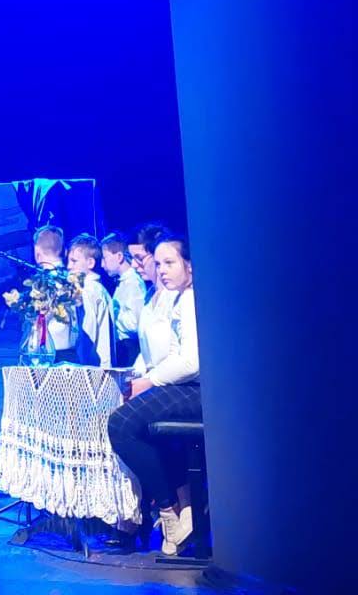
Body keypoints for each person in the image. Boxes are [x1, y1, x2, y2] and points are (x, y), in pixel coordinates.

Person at [105, 235, 200, 556]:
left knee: (121, 425)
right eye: (158, 264)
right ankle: (177, 508)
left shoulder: (191, 299)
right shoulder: (175, 298)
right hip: (178, 386)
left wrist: (150, 381)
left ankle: (168, 509)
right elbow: (164, 353)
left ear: (189, 265)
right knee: (132, 424)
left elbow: (192, 361)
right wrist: (140, 379)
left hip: (200, 391)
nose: (161, 270)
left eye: (169, 263)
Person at [2, 223, 77, 362]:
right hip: (72, 350)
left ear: (37, 252)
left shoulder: (42, 282)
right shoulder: (74, 280)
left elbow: (38, 317)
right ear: (65, 251)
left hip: (46, 353)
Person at [98, 232, 144, 371]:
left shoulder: (133, 283)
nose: (102, 264)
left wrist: (113, 313)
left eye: (105, 258)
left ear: (119, 256)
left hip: (130, 348)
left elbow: (134, 323)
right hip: (123, 347)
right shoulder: (122, 283)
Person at [67, 234, 113, 367]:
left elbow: (88, 333)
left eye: (74, 261)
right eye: (68, 261)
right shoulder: (95, 288)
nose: (68, 266)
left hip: (92, 367)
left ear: (90, 263)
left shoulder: (89, 290)